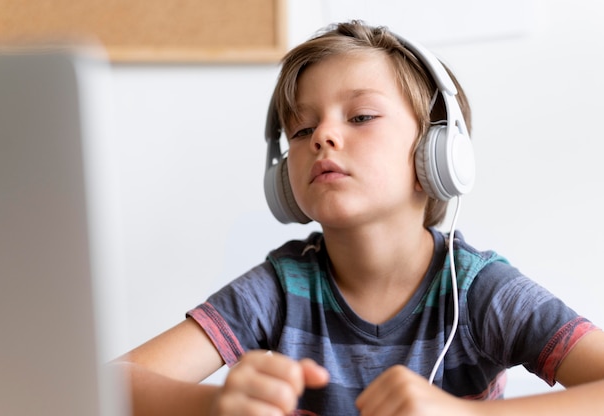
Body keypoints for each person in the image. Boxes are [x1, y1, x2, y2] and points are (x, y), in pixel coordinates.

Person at [113, 21, 604, 415]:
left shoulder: (478, 290)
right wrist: (213, 403)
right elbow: (102, 384)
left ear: (437, 154)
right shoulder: (282, 288)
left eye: (361, 117)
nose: (322, 136)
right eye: (302, 129)